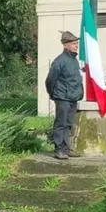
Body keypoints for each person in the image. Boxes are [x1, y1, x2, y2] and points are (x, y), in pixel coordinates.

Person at [45, 30, 83, 160]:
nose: (76, 45)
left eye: (76, 43)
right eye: (73, 43)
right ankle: (59, 149)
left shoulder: (74, 61)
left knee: (68, 123)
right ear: (65, 45)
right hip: (62, 98)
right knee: (61, 123)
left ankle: (66, 148)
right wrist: (54, 94)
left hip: (73, 98)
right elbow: (50, 80)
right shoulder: (59, 61)